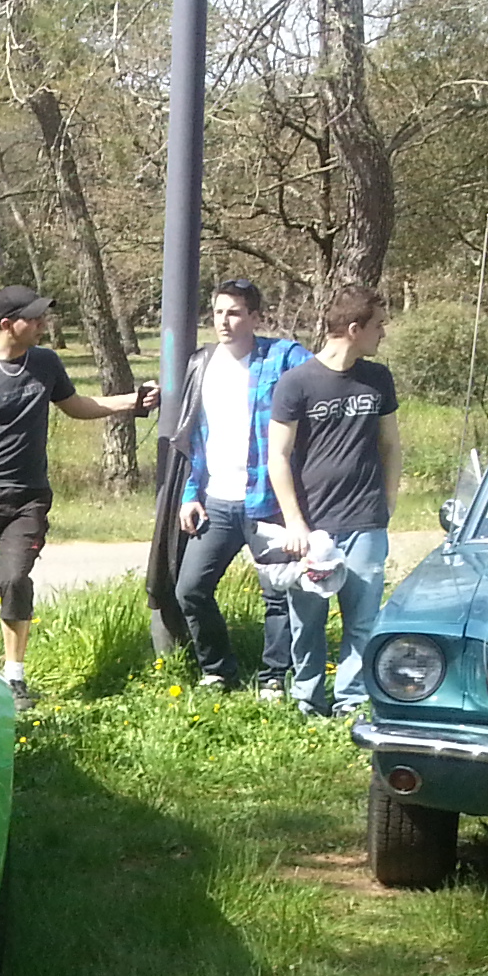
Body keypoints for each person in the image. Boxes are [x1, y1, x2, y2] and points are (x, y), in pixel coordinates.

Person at [0, 286, 154, 697]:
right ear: (6, 325)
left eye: (41, 317)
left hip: (28, 497)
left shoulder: (46, 363)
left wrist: (132, 403)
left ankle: (14, 676)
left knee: (14, 578)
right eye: (32, 318)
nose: (41, 324)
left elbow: (76, 405)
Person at [167, 279, 315, 692]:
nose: (224, 321)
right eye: (218, 312)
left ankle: (274, 678)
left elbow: (323, 378)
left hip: (269, 501)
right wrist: (190, 494)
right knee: (191, 589)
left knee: (278, 595)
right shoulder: (203, 363)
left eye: (233, 313)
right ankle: (218, 671)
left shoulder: (283, 357)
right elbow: (197, 436)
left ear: (254, 317)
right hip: (217, 500)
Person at [265, 283, 401, 716]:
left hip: (366, 521)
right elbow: (278, 456)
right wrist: (295, 522)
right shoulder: (296, 383)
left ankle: (351, 701)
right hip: (312, 528)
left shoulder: (378, 379)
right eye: (378, 325)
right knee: (307, 621)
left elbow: (390, 445)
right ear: (354, 329)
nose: (383, 333)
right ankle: (308, 699)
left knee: (362, 621)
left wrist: (388, 502)